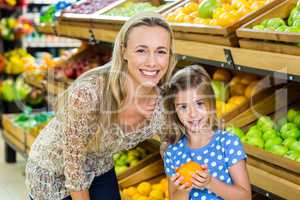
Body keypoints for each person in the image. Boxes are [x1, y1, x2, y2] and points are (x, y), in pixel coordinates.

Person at [25, 11, 177, 200]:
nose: (152, 62)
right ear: (124, 51)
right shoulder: (89, 94)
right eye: (141, 50)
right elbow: (74, 168)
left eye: (161, 51)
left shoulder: (164, 101)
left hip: (99, 164)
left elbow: (172, 154)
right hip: (53, 171)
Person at [162, 65, 251, 200]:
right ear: (174, 111)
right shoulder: (172, 153)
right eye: (183, 107)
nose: (192, 113)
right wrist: (184, 189)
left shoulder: (227, 143)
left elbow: (245, 197)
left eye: (199, 103)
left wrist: (210, 183)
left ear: (211, 104)